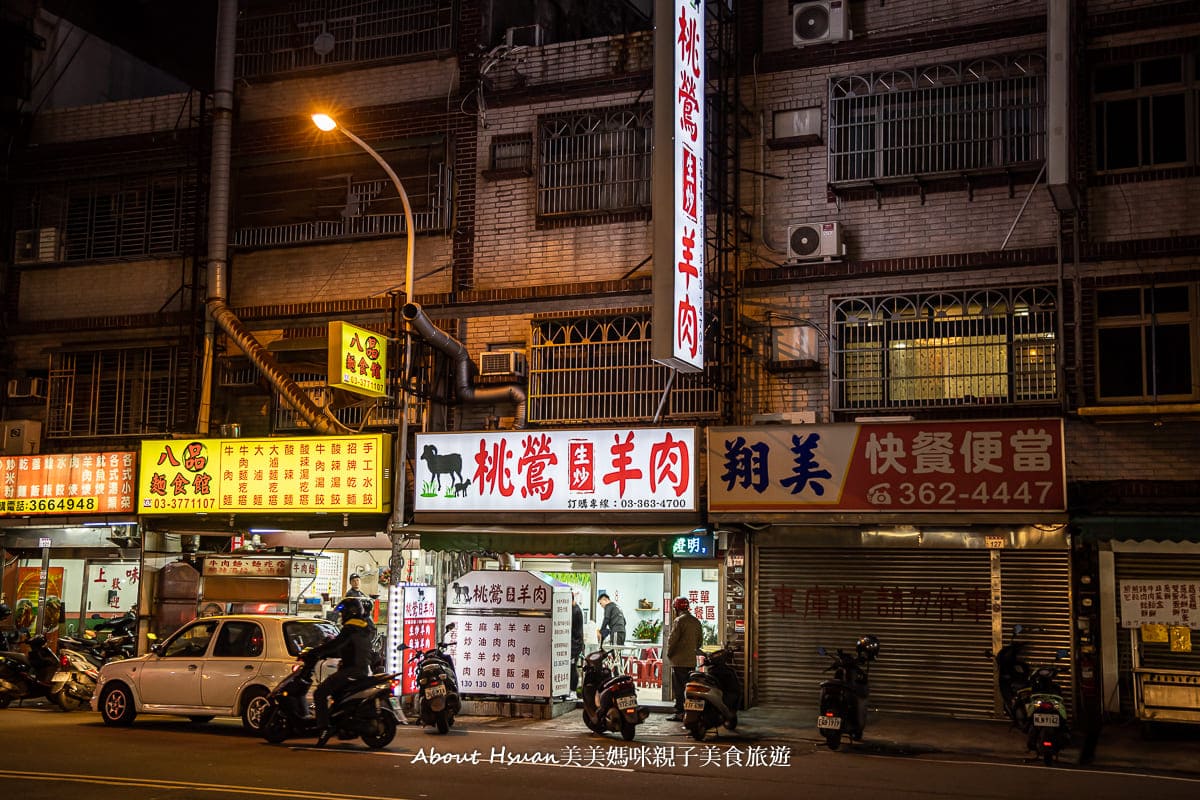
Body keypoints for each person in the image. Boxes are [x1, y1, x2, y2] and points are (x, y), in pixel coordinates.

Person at [306, 596, 374, 745]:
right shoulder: (364, 628)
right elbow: (346, 648)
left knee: (320, 692)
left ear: (351, 612)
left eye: (343, 613)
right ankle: (340, 722)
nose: (342, 616)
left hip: (352, 671)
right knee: (336, 695)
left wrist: (315, 652)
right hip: (361, 670)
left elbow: (335, 645)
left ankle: (324, 727)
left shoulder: (350, 629)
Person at [665, 596, 703, 722]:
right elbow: (699, 642)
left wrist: (669, 654)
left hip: (679, 661)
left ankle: (679, 712)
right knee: (689, 687)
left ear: (676, 608)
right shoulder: (696, 621)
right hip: (691, 661)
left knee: (679, 688)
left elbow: (672, 641)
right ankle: (689, 711)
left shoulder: (679, 621)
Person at [570, 591, 584, 693]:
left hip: (575, 644)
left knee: (572, 667)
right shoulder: (575, 609)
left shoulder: (575, 611)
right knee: (571, 667)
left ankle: (573, 690)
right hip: (575, 643)